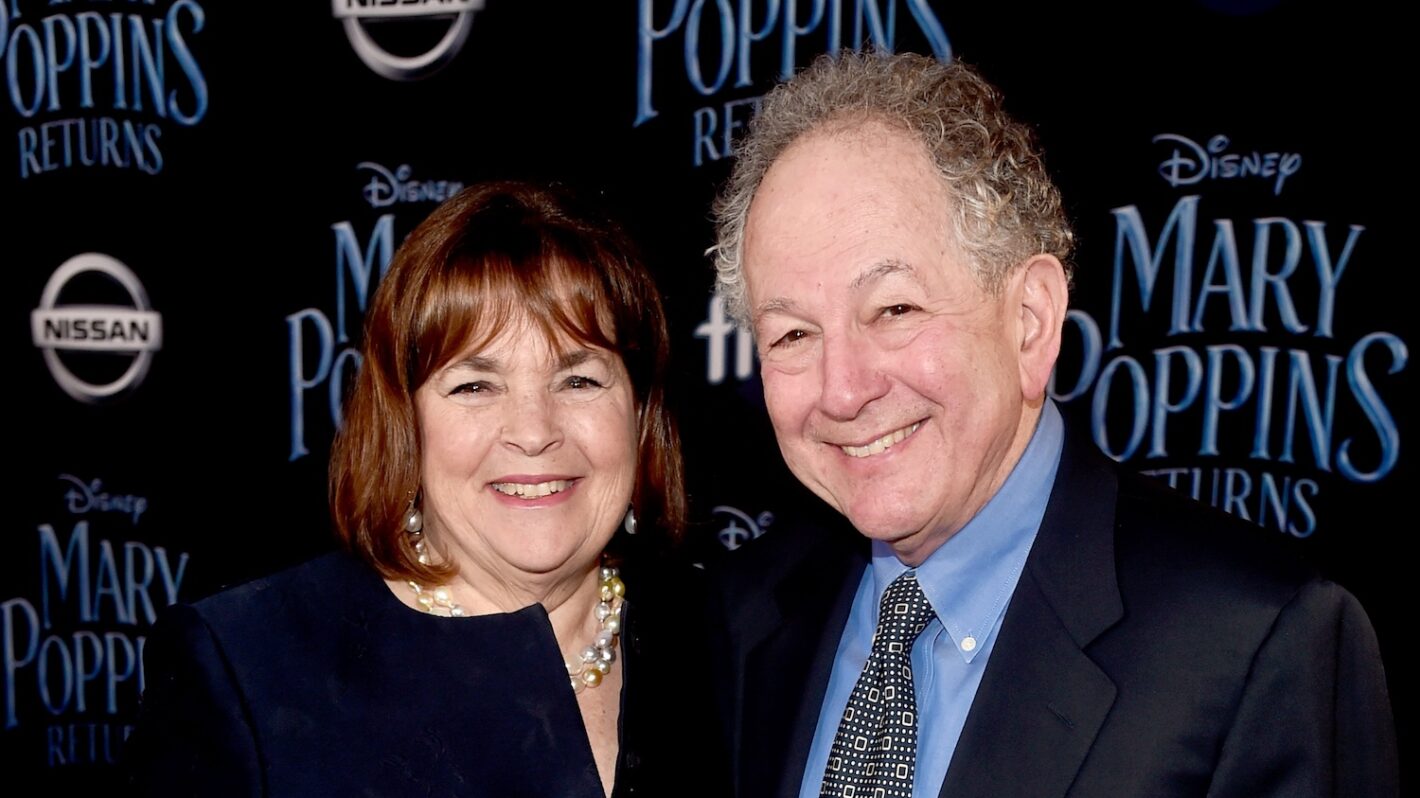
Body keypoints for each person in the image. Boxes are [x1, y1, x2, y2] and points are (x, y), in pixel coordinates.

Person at [706, 51, 1398, 798]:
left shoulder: (1260, 642)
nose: (842, 391)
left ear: (1031, 321)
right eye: (793, 336)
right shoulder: (742, 616)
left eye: (896, 310)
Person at [123, 181, 727, 797]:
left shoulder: (730, 644)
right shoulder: (249, 668)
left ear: (641, 412)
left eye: (578, 380)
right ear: (404, 424)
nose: (534, 432)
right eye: (474, 386)